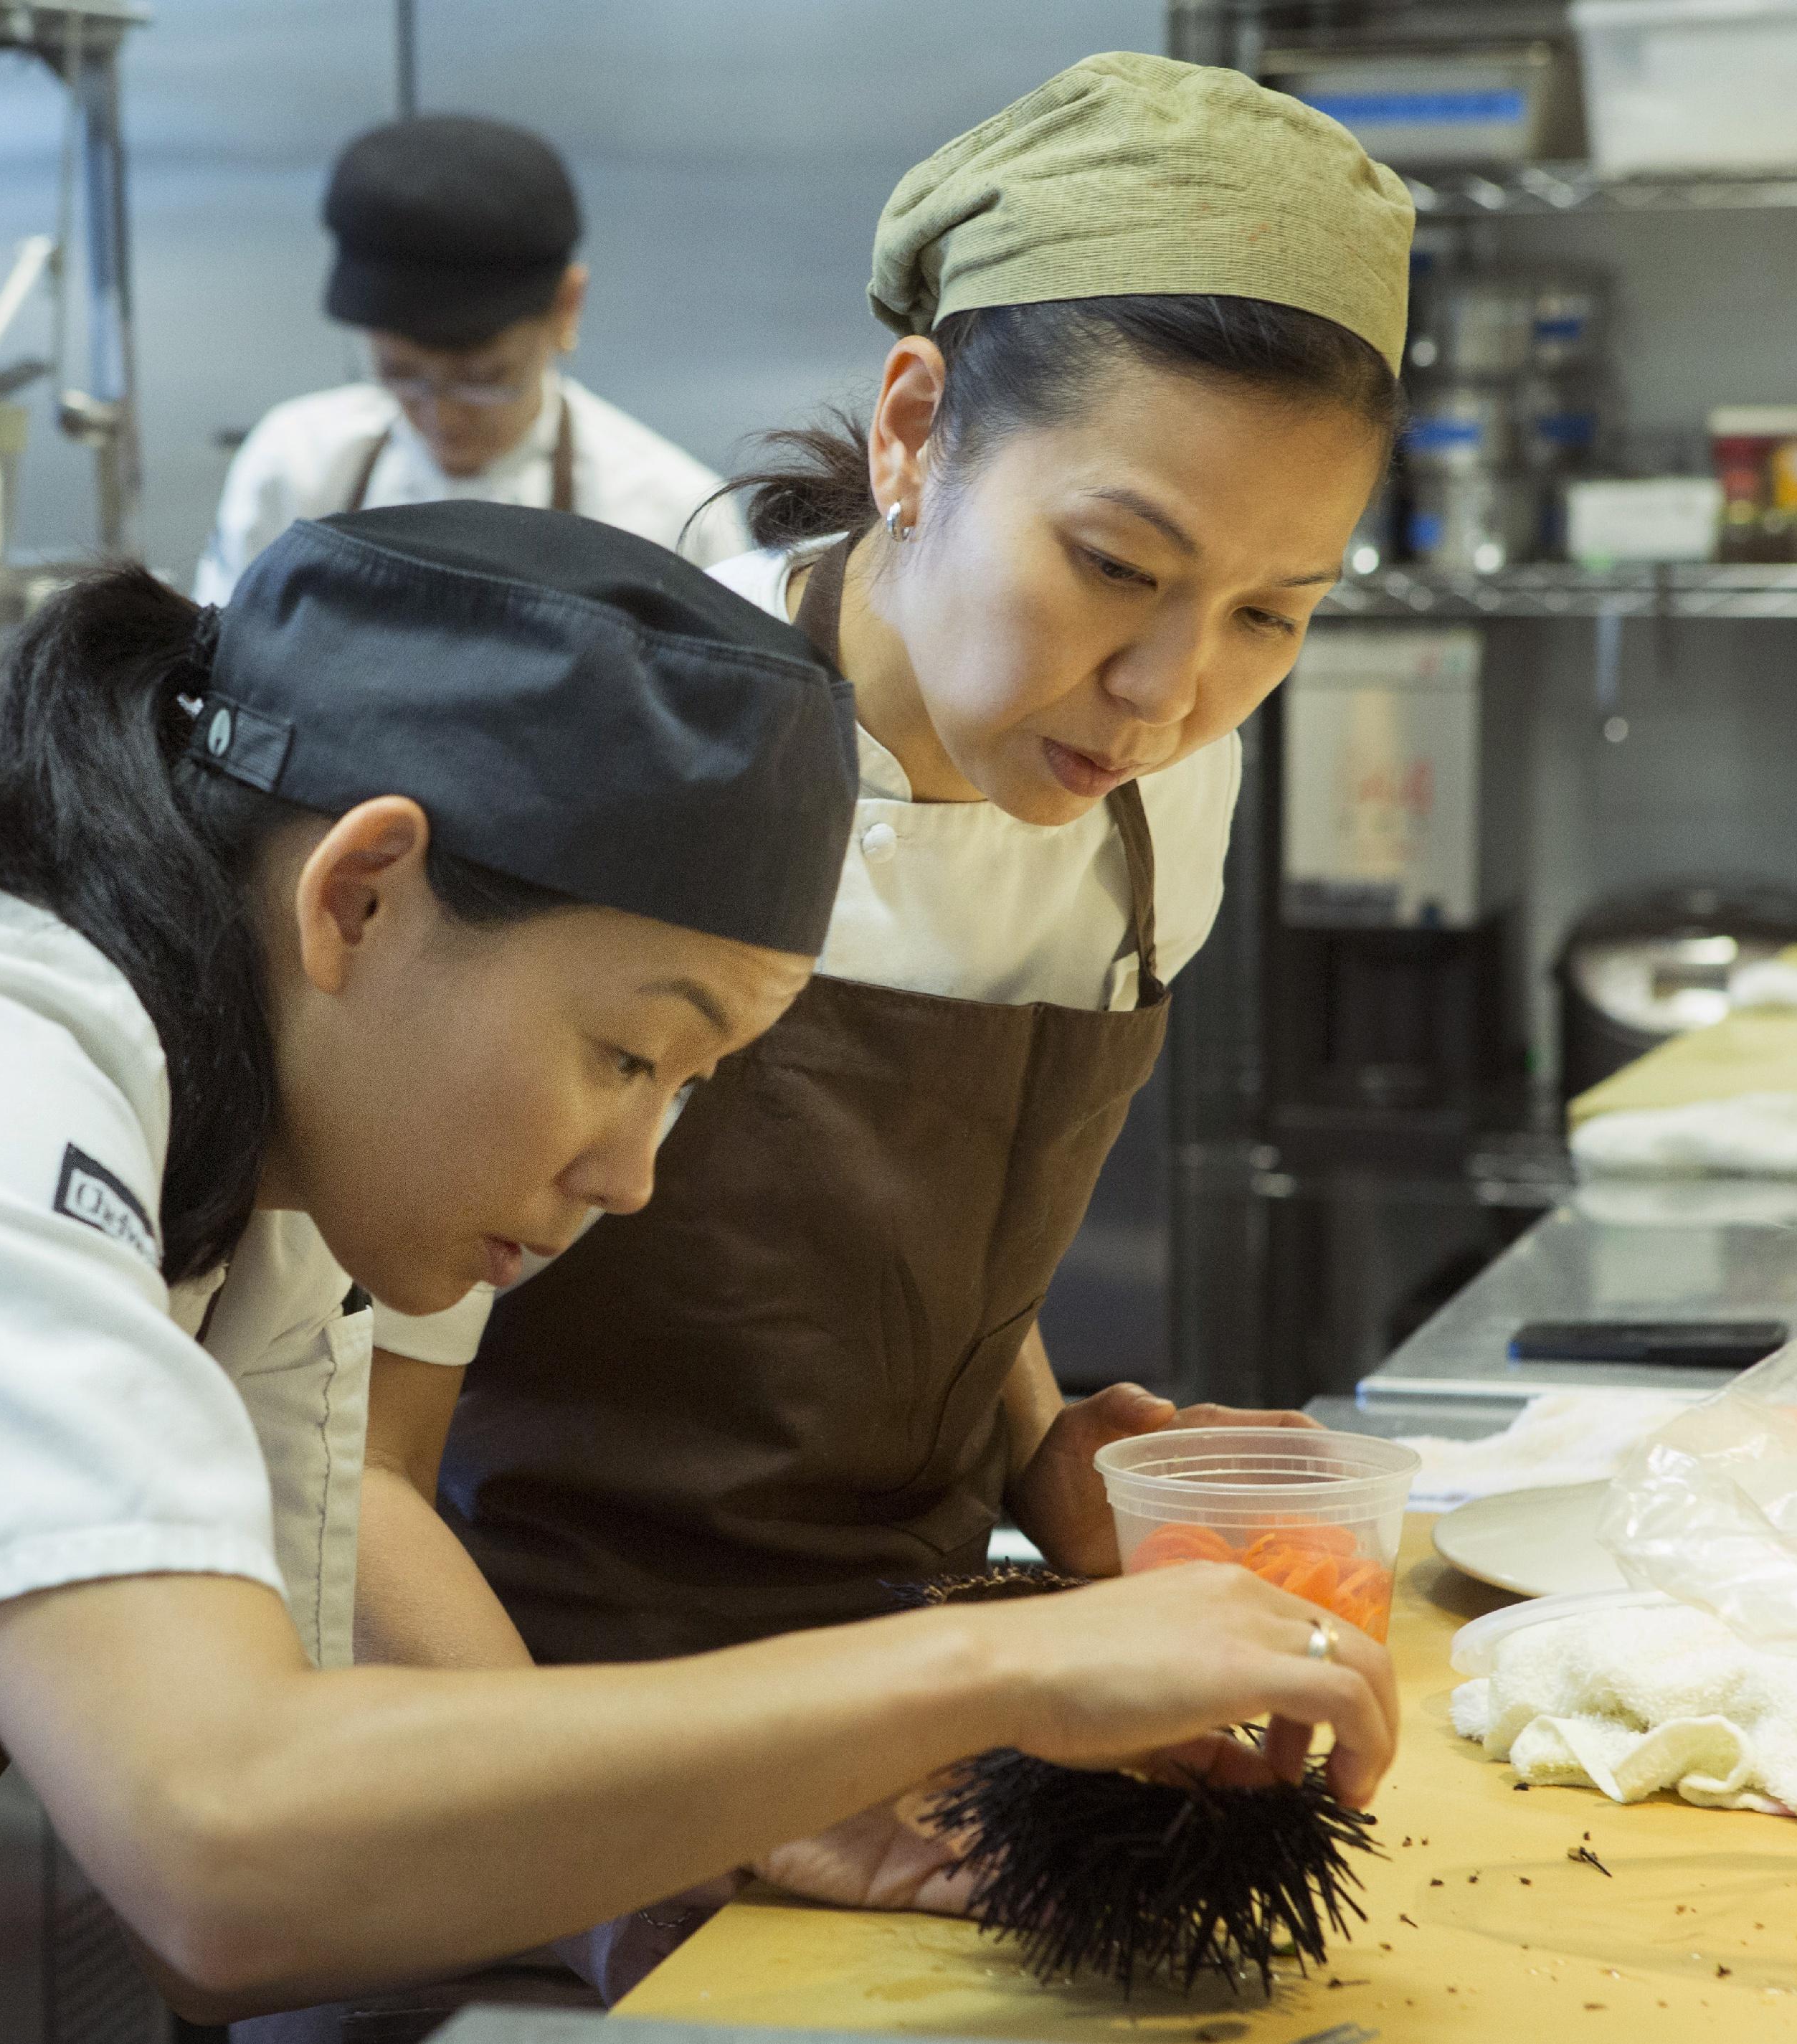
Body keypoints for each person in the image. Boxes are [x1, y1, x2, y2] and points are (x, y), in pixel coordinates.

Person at [0, 502, 1396, 2039]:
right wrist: (979, 1682)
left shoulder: (247, 1165)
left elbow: (331, 1750)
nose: (631, 1176)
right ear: (360, 892)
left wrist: (743, 1812)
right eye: (626, 1055)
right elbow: (223, 1840)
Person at [349, 50, 1417, 2001]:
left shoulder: (1149, 785)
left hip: (907, 1740)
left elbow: (908, 1238)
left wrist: (1039, 1459)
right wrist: (667, 1799)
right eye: (1112, 567)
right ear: (914, 426)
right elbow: (337, 1459)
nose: (1171, 688)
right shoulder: (620, 764)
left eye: (1275, 611)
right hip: (512, 1752)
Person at [191, 115, 748, 600]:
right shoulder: (297, 466)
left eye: (484, 380)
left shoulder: (675, 516)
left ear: (565, 308)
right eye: (401, 377)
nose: (443, 419)